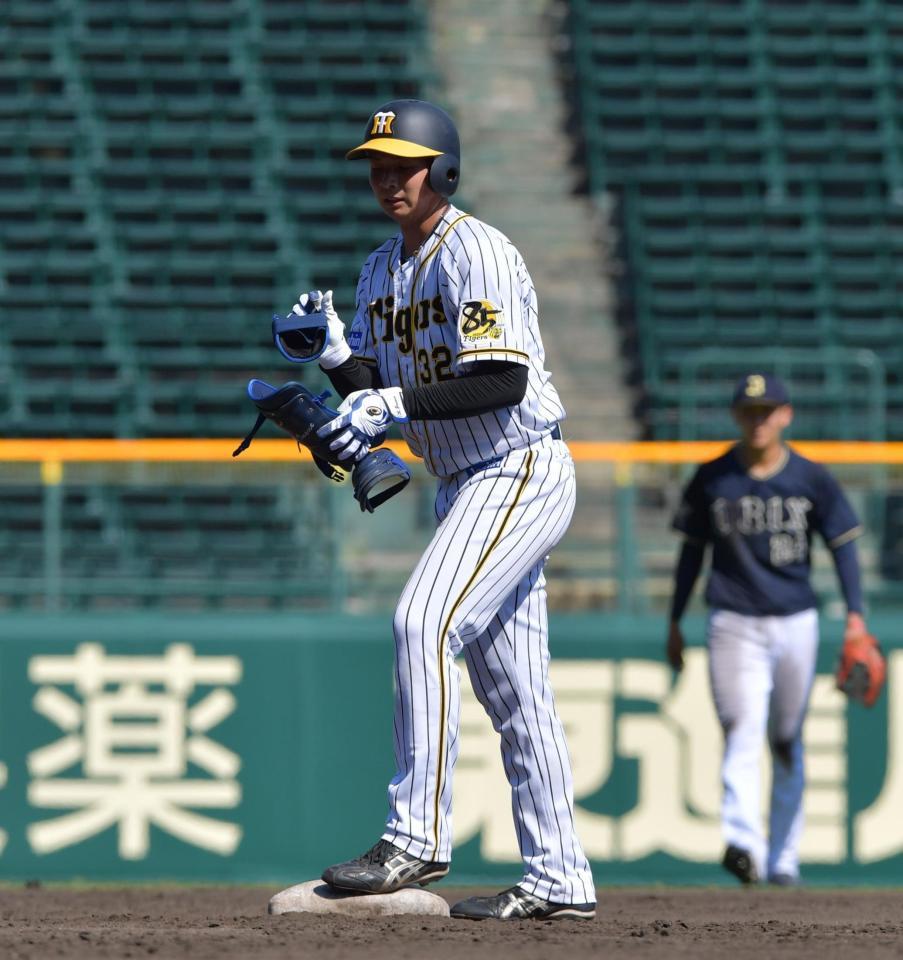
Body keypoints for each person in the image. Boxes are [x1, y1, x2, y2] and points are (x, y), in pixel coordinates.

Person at [293, 99, 595, 920]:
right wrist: (337, 360)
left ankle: (415, 836)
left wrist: (386, 401)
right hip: (464, 483)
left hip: (517, 467)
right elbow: (375, 392)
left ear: (444, 170)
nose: (388, 179)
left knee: (420, 623)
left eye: (406, 165)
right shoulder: (376, 270)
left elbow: (502, 380)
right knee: (517, 695)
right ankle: (560, 878)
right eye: (377, 166)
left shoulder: (478, 251)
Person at [667, 372, 867, 887]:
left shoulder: (810, 476)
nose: (758, 419)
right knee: (741, 726)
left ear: (785, 415)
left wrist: (856, 616)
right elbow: (691, 553)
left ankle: (783, 858)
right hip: (733, 620)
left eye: (767, 410)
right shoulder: (713, 476)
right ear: (737, 416)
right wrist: (674, 619)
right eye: (749, 411)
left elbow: (843, 546)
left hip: (796, 619)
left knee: (784, 738)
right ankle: (744, 846)